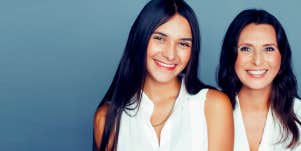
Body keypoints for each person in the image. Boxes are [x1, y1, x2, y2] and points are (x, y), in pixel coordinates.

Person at [93, 0, 233, 151]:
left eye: (183, 44)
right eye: (160, 38)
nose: (170, 55)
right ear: (140, 38)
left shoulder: (213, 105)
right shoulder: (107, 118)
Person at [218, 9, 301, 151]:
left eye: (268, 49)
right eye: (245, 49)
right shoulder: (207, 110)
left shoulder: (299, 112)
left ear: (282, 56)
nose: (257, 61)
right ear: (231, 54)